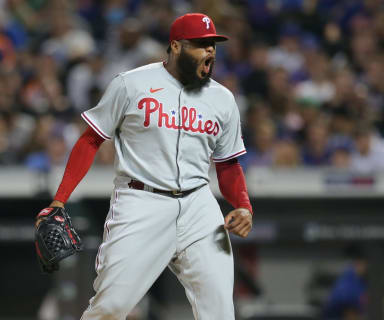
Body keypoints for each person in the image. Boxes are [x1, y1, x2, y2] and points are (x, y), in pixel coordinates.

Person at [37, 13, 253, 320]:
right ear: (176, 46)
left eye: (213, 45)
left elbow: (228, 164)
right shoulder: (131, 84)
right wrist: (59, 200)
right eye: (201, 45)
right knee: (110, 308)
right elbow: (89, 140)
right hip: (142, 201)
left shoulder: (222, 99)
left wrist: (243, 206)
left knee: (219, 312)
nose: (210, 52)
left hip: (199, 204)